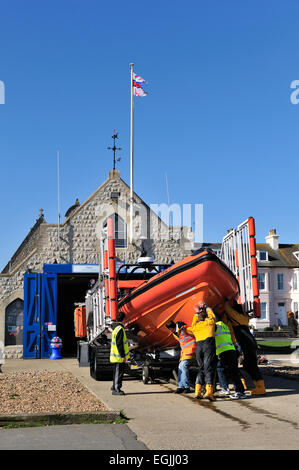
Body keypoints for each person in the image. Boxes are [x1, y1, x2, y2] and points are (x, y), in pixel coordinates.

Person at [224, 300, 266, 396]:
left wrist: (227, 300)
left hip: (247, 344)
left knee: (250, 366)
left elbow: (227, 309)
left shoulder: (237, 317)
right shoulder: (243, 318)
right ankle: (259, 386)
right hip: (250, 343)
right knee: (249, 365)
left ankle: (261, 388)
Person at [187, 302, 217, 401]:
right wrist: (207, 307)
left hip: (199, 348)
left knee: (201, 368)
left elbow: (193, 322)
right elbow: (212, 316)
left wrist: (196, 313)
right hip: (208, 346)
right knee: (208, 368)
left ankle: (198, 391)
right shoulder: (210, 323)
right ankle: (209, 392)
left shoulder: (195, 327)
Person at [215, 317, 246, 400]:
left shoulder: (214, 327)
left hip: (223, 351)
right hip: (231, 350)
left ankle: (239, 392)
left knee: (230, 371)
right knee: (224, 369)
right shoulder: (225, 325)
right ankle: (226, 388)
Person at [166, 320, 196, 394]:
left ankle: (186, 387)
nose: (170, 331)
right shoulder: (175, 334)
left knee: (183, 366)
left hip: (192, 352)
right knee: (180, 367)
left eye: (170, 330)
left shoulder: (185, 329)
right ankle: (180, 386)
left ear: (171, 328)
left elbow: (196, 334)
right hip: (185, 354)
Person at [110, 311, 130, 395]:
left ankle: (114, 386)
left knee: (116, 372)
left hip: (115, 355)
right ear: (123, 319)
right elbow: (119, 344)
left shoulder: (115, 328)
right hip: (118, 356)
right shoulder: (120, 329)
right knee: (119, 373)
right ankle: (116, 389)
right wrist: (122, 356)